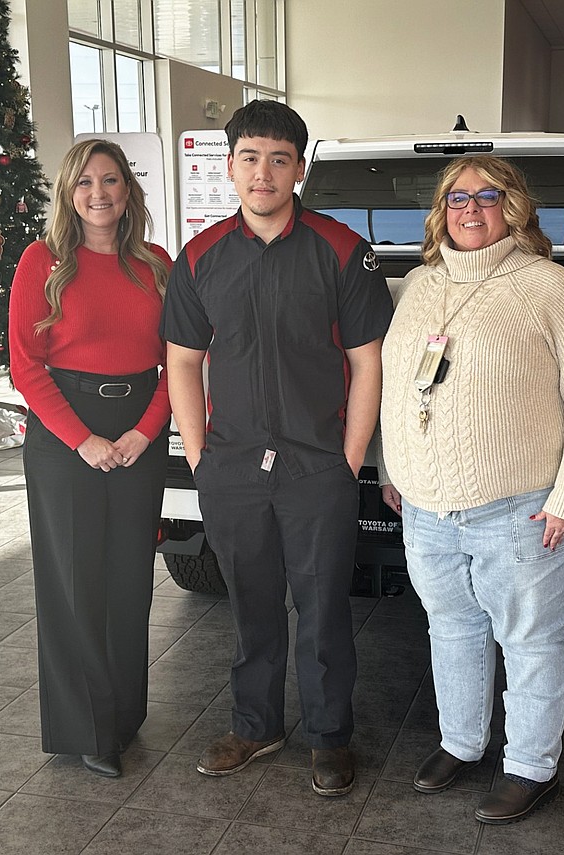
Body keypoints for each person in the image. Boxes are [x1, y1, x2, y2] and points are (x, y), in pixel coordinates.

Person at [378, 155, 564, 824]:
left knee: (534, 639)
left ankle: (530, 767)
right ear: (441, 210)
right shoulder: (421, 285)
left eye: (488, 196)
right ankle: (461, 741)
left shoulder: (550, 287)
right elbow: (400, 382)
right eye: (458, 197)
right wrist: (393, 465)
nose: (471, 208)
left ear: (513, 208)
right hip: (428, 511)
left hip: (521, 509)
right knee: (452, 626)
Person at [161, 100, 393, 796]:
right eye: (250, 158)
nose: (264, 173)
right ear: (230, 166)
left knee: (323, 608)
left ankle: (329, 736)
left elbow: (367, 361)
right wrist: (202, 459)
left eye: (280, 159)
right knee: (251, 605)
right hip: (231, 467)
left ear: (298, 169)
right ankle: (255, 724)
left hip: (315, 465)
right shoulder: (200, 257)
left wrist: (347, 459)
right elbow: (180, 361)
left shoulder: (342, 250)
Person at [9, 139, 172, 779]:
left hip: (139, 432)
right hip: (63, 433)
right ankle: (88, 729)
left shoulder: (157, 264)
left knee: (129, 578)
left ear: (128, 190)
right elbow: (26, 365)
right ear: (68, 195)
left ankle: (124, 714)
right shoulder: (43, 262)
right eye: (85, 183)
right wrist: (82, 439)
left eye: (110, 180)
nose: (98, 193)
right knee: (76, 583)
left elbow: (182, 359)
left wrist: (144, 431)